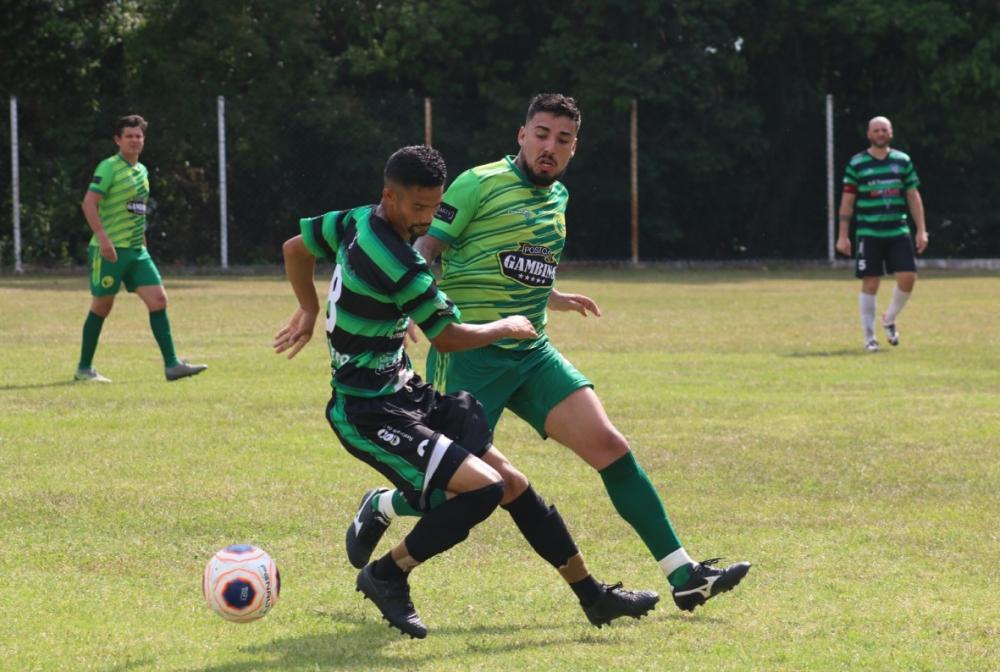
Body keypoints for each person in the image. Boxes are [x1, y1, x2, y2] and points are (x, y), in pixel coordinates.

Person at [275, 145, 657, 638]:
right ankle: (386, 574)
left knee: (511, 483)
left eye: (435, 206)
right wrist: (505, 326)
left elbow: (295, 248)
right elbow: (448, 337)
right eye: (418, 207)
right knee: (484, 489)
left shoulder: (355, 220)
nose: (427, 218)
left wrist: (309, 308)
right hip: (367, 411)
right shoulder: (399, 262)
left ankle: (593, 597)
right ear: (389, 196)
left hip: (405, 392)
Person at [396, 93, 750, 613]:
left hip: (532, 352)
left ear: (574, 147)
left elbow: (518, 263)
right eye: (541, 134)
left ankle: (685, 574)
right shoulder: (478, 183)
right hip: (472, 351)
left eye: (562, 139)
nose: (550, 147)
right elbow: (427, 248)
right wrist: (411, 304)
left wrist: (553, 296)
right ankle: (381, 506)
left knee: (610, 446)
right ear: (522, 136)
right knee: (455, 485)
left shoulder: (558, 197)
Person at [74, 114, 207, 383]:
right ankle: (84, 369)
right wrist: (103, 238)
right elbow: (89, 203)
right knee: (102, 306)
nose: (134, 140)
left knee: (158, 300)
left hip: (136, 251)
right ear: (118, 140)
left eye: (139, 136)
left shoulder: (142, 171)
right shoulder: (109, 167)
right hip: (110, 250)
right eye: (129, 136)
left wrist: (143, 242)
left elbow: (137, 211)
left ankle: (172, 365)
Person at [836, 116, 928, 352]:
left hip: (897, 229)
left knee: (908, 278)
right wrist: (843, 235)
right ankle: (870, 338)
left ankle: (889, 318)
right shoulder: (857, 163)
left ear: (891, 133)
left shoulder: (902, 161)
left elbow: (913, 196)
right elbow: (847, 200)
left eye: (884, 130)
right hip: (869, 232)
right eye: (876, 130)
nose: (880, 134)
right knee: (871, 282)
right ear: (869, 134)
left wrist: (921, 230)